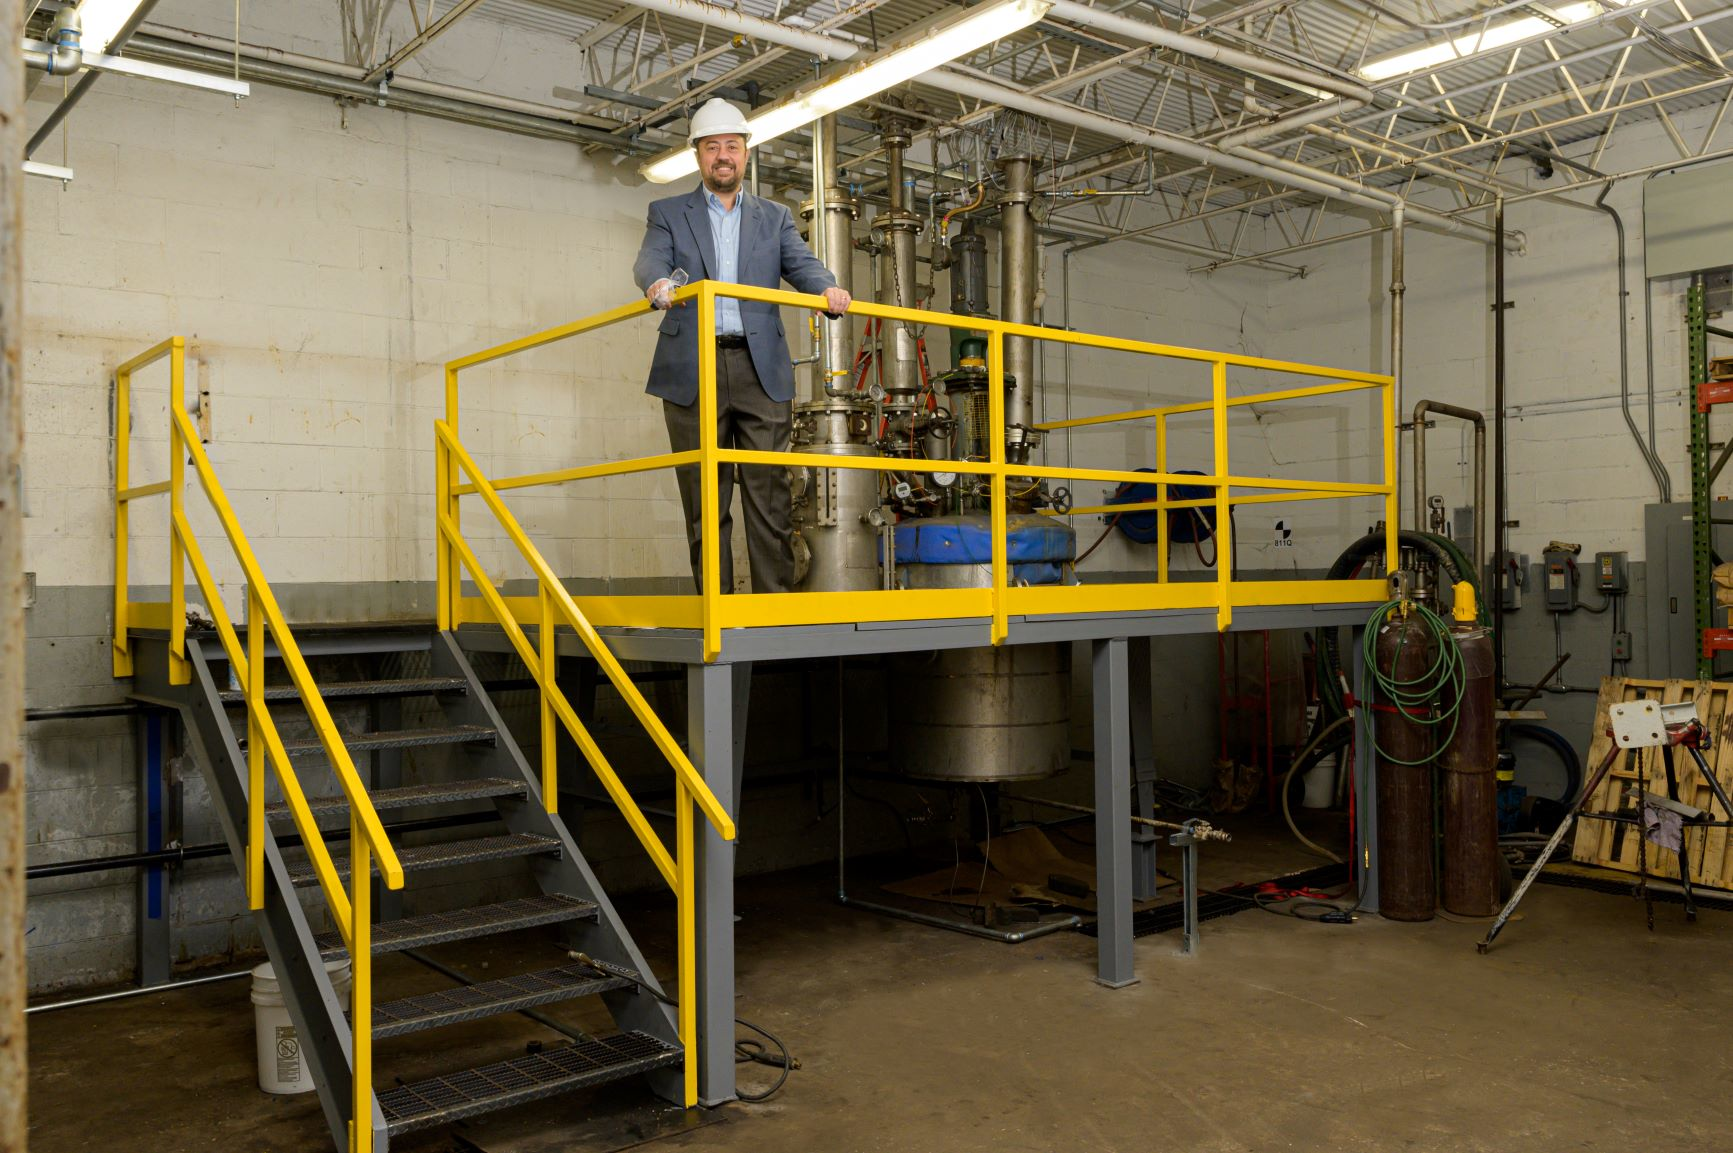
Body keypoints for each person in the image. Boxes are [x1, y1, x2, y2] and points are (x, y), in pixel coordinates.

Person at [634, 98, 851, 594]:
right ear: (698, 156)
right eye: (712, 148)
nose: (723, 155)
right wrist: (656, 284)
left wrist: (828, 289)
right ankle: (717, 606)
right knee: (705, 498)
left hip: (761, 371)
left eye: (732, 145)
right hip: (693, 368)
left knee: (769, 496)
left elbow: (803, 265)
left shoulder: (773, 217)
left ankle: (770, 606)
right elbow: (650, 260)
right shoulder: (667, 211)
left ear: (746, 154)